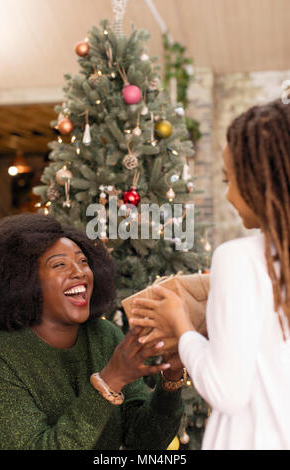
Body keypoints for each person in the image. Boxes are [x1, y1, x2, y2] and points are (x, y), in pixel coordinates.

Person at [130, 99, 290, 450]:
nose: (229, 194)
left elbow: (225, 390)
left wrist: (181, 326)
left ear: (260, 182)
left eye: (229, 180)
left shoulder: (239, 258)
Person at [0, 213, 185, 450]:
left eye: (83, 262)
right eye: (60, 264)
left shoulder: (105, 334)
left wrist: (172, 377)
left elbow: (143, 441)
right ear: (24, 280)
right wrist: (109, 380)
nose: (80, 272)